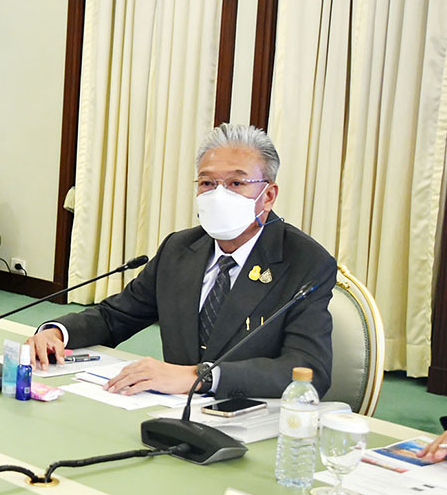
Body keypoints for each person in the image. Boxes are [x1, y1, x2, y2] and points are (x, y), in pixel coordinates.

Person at [27, 123, 335, 399]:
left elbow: (308, 368)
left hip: (249, 416)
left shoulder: (306, 262)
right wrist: (58, 332)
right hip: (168, 412)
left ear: (268, 196)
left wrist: (199, 377)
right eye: (207, 183)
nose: (219, 195)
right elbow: (115, 317)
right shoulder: (180, 248)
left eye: (236, 183)